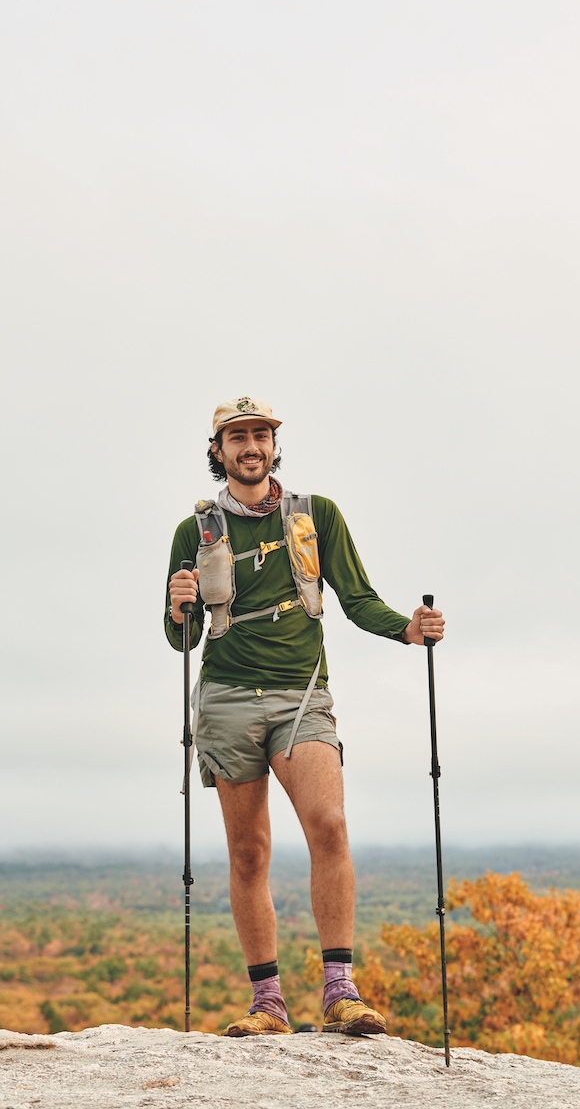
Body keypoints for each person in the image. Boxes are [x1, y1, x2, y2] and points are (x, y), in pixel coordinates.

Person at [165, 396, 445, 1037]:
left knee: (329, 825)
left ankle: (340, 992)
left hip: (301, 693)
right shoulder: (195, 531)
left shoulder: (317, 518)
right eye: (238, 437)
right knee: (248, 851)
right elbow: (179, 640)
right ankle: (268, 1004)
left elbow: (357, 598)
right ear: (218, 451)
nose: (251, 446)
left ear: (273, 445)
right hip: (227, 696)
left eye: (260, 434)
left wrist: (408, 629)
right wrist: (179, 606)